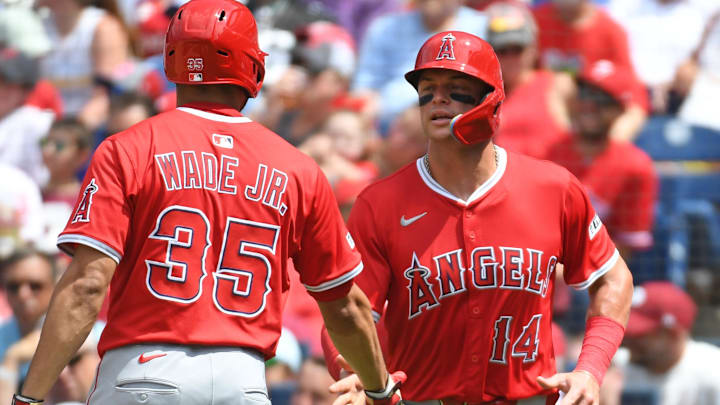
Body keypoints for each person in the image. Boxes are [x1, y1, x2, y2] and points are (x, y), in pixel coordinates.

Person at [12, 1, 404, 404]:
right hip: (243, 381)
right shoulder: (297, 167)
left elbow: (86, 286)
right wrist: (379, 387)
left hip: (143, 372)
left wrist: (29, 397)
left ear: (171, 59)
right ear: (252, 65)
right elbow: (344, 305)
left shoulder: (127, 149)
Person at [324, 30, 634, 404]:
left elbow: (613, 277)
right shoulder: (381, 203)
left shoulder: (553, 188)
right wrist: (356, 372)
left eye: (456, 86)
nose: (437, 97)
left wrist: (591, 368)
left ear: (491, 100)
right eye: (427, 87)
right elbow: (348, 308)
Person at [546, 60, 658, 261]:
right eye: (584, 94)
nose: (589, 105)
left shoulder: (635, 166)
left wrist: (566, 272)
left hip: (600, 276)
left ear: (620, 110)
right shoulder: (551, 154)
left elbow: (623, 252)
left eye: (602, 99)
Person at [618, 281, 720, 405]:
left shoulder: (712, 371)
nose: (628, 339)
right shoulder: (617, 368)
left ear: (674, 334)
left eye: (640, 334)